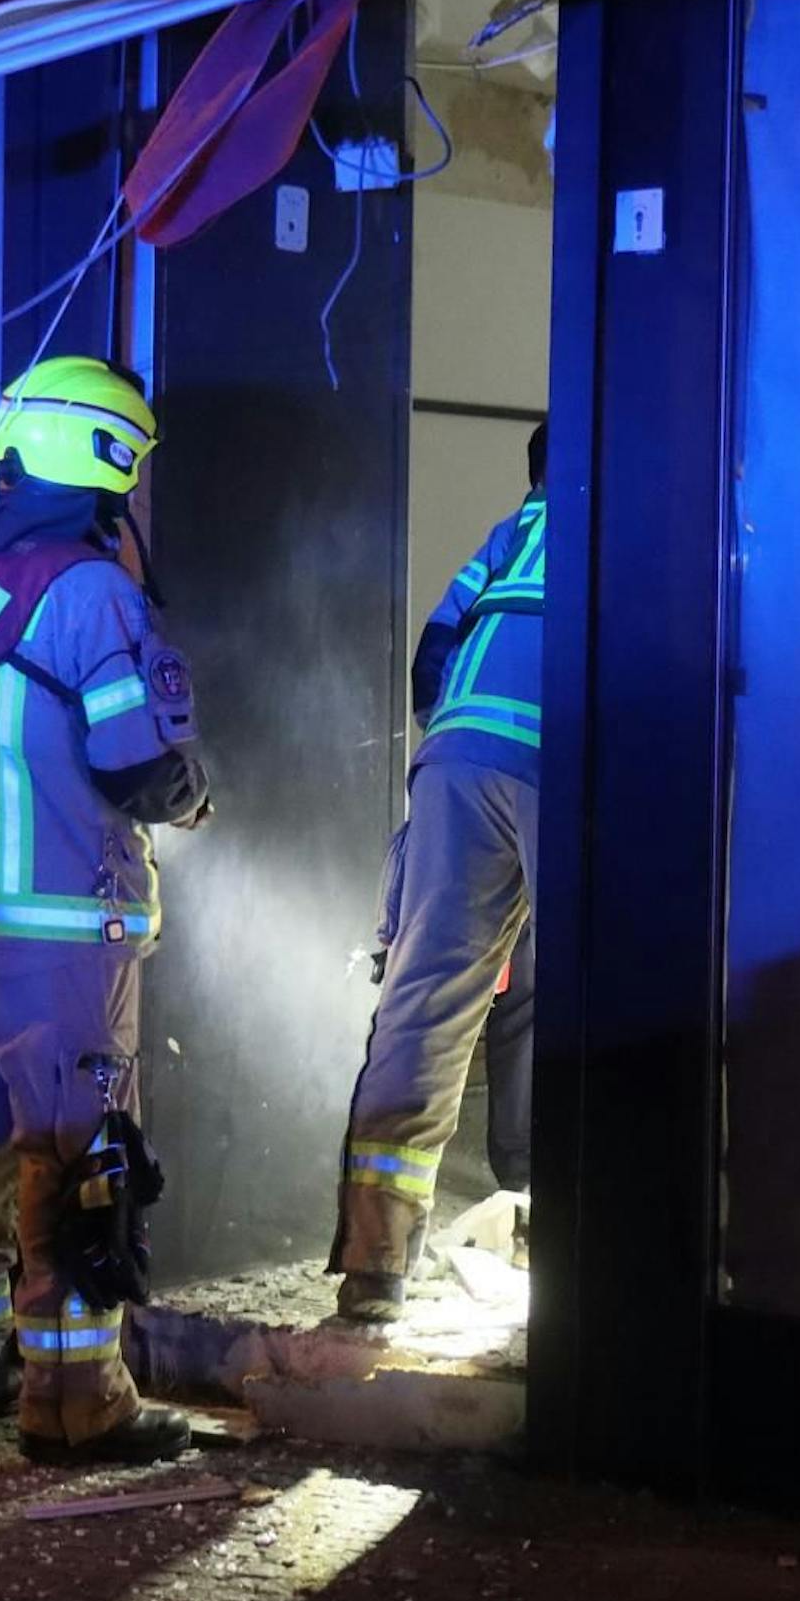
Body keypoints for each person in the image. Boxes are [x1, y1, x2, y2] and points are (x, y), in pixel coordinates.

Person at [0, 356, 210, 1462]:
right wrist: (190, 792)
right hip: (65, 934)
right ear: (106, 457)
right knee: (74, 1157)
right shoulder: (91, 593)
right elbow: (136, 761)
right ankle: (75, 1406)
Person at [333, 422, 545, 1320]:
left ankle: (376, 1269)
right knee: (598, 996)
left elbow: (432, 651)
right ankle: (581, 1247)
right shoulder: (639, 522)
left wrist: (454, 744)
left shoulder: (513, 534)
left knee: (424, 1000)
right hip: (563, 756)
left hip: (456, 759)